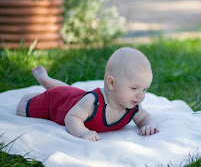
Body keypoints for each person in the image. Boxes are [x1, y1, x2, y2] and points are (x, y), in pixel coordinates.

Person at [16, 47, 159, 141]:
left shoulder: (132, 106)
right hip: (56, 103)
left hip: (76, 96)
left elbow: (145, 118)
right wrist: (83, 133)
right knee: (24, 108)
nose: (141, 95)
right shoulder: (92, 102)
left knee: (70, 92)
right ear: (111, 83)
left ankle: (47, 81)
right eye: (134, 88)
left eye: (144, 89)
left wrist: (148, 125)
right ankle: (45, 84)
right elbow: (71, 117)